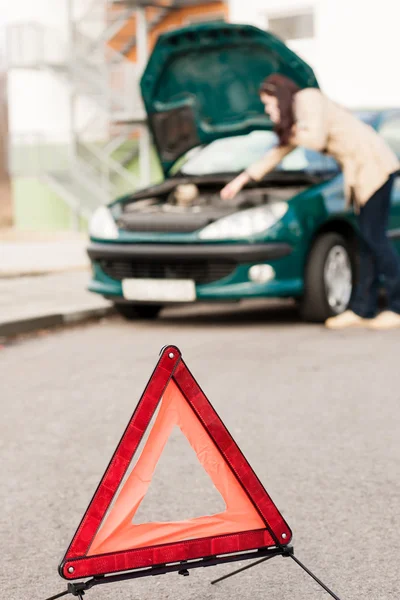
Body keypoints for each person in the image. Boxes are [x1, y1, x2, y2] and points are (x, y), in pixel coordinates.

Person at [220, 74, 400, 330]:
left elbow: (314, 138)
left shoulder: (308, 99)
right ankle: (363, 310)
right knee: (365, 243)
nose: (268, 110)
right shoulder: (297, 120)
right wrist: (241, 180)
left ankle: (396, 308)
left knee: (376, 239)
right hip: (360, 174)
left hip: (374, 168)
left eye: (269, 104)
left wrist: (286, 128)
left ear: (280, 97)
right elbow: (279, 151)